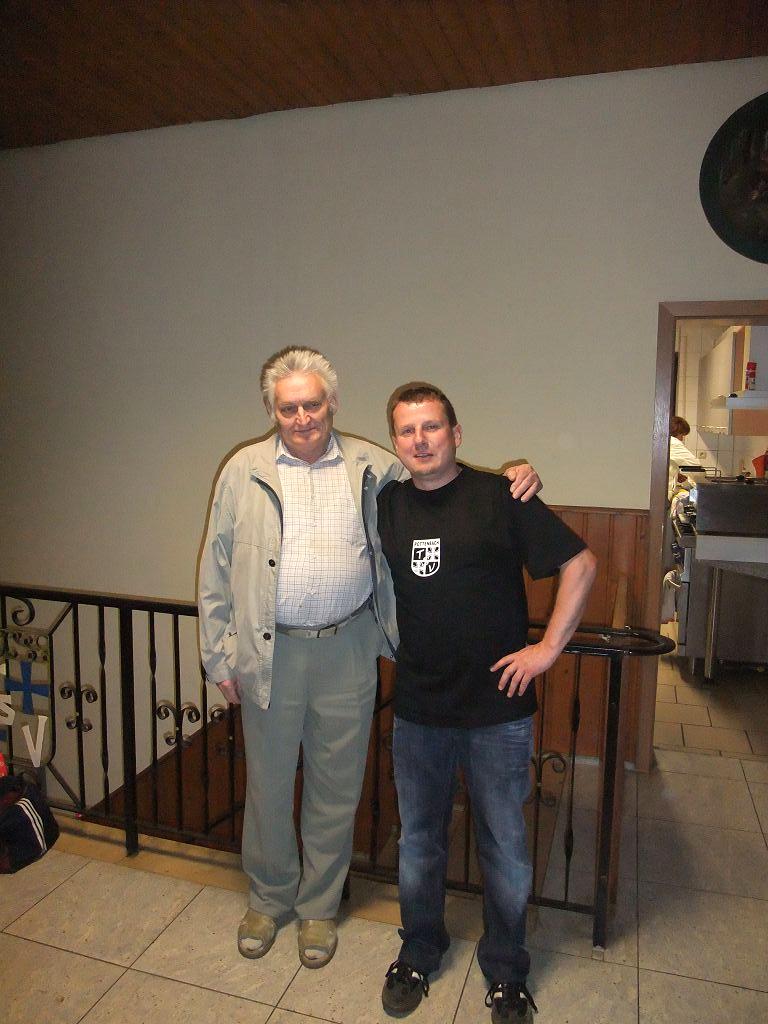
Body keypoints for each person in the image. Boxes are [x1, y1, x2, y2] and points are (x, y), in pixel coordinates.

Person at [197, 348, 542, 970]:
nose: (302, 417)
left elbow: (439, 472)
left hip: (349, 647)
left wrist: (514, 475)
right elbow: (215, 566)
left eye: (312, 404)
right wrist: (218, 656)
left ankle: (318, 906)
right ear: (272, 410)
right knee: (268, 784)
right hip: (270, 651)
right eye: (288, 407)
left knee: (336, 786)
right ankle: (269, 897)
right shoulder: (241, 470)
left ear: (332, 403)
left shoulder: (373, 466)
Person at [376, 382, 597, 1023]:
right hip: (419, 707)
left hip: (497, 711)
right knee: (419, 842)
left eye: (432, 427)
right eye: (407, 430)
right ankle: (420, 949)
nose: (420, 440)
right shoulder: (387, 505)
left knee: (504, 847)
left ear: (456, 433)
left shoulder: (501, 496)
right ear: (395, 441)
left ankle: (505, 969)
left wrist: (547, 650)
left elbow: (581, 564)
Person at [668, 415, 701, 501]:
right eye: (682, 435)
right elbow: (695, 465)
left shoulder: (665, 440)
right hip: (663, 491)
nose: (682, 439)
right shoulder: (674, 442)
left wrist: (676, 475)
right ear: (677, 432)